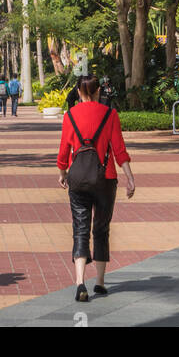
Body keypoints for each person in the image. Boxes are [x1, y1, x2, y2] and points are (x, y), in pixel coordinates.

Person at [57, 73, 135, 303]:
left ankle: (80, 282)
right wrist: (130, 178)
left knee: (80, 228)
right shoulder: (110, 114)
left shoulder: (69, 116)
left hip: (78, 178)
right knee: (101, 229)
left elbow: (63, 151)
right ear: (98, 91)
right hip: (105, 178)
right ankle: (99, 282)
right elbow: (119, 149)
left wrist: (62, 173)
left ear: (79, 92)